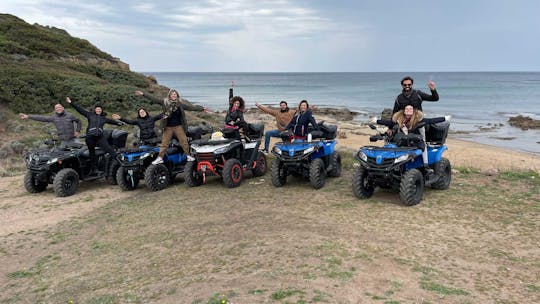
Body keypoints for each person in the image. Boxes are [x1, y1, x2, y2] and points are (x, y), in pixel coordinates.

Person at [374, 104, 450, 175]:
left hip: (416, 140)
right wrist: (376, 121)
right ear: (404, 111)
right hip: (404, 140)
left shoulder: (418, 119)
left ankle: (426, 165)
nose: (408, 110)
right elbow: (389, 123)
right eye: (407, 109)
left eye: (411, 109)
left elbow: (431, 121)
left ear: (413, 111)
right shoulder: (399, 120)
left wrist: (444, 118)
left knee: (423, 147)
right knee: (392, 147)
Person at [134, 89, 206, 164]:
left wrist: (202, 109)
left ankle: (188, 155)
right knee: (164, 143)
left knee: (184, 141)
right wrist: (143, 94)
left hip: (178, 126)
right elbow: (154, 99)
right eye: (172, 94)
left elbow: (191, 108)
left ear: (177, 95)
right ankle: (160, 158)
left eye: (175, 94)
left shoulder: (180, 104)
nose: (173, 96)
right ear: (169, 96)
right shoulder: (165, 103)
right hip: (167, 127)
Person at [66, 96, 123, 174]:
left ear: (101, 110)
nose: (98, 110)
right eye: (97, 108)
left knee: (109, 149)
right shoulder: (89, 115)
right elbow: (80, 109)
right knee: (92, 153)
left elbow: (114, 122)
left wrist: (121, 122)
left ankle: (120, 161)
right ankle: (94, 169)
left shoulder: (104, 118)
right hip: (90, 137)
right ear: (95, 109)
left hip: (100, 137)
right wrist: (71, 103)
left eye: (100, 109)